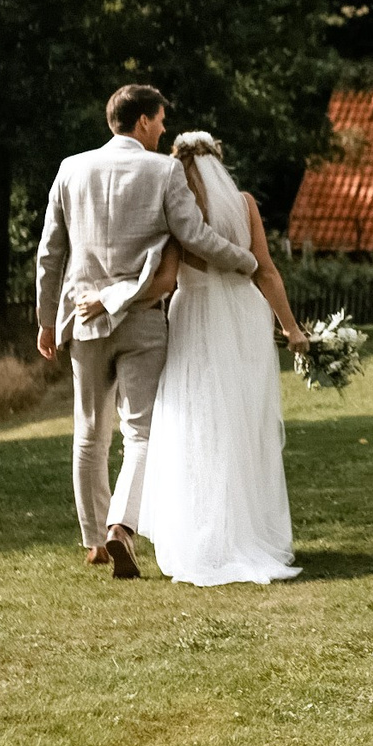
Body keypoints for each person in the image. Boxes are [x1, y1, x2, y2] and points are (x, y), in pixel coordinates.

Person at [34, 84, 256, 578]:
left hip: (84, 319)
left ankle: (93, 541)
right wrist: (246, 261)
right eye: (158, 121)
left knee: (89, 433)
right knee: (141, 432)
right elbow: (195, 237)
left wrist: (47, 320)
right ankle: (121, 527)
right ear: (140, 122)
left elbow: (50, 251)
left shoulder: (70, 168)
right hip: (143, 319)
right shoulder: (163, 171)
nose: (162, 130)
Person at [132, 132, 310, 586]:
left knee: (197, 418)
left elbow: (168, 280)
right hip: (243, 315)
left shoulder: (179, 206)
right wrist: (290, 328)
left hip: (196, 314)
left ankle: (205, 537)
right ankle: (248, 532)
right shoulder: (245, 204)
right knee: (242, 421)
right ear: (219, 160)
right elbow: (266, 270)